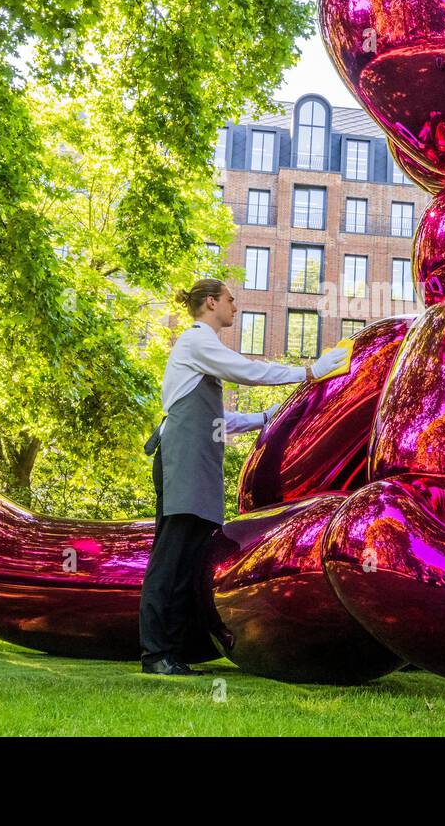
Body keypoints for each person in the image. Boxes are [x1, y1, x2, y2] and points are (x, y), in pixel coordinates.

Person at [138, 277, 350, 675]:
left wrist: (264, 419)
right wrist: (309, 372)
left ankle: (174, 650)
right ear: (211, 302)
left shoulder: (202, 351)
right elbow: (246, 370)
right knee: (170, 557)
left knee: (190, 559)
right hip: (182, 462)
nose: (235, 307)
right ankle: (155, 654)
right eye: (231, 301)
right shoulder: (196, 341)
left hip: (198, 466)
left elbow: (218, 420)